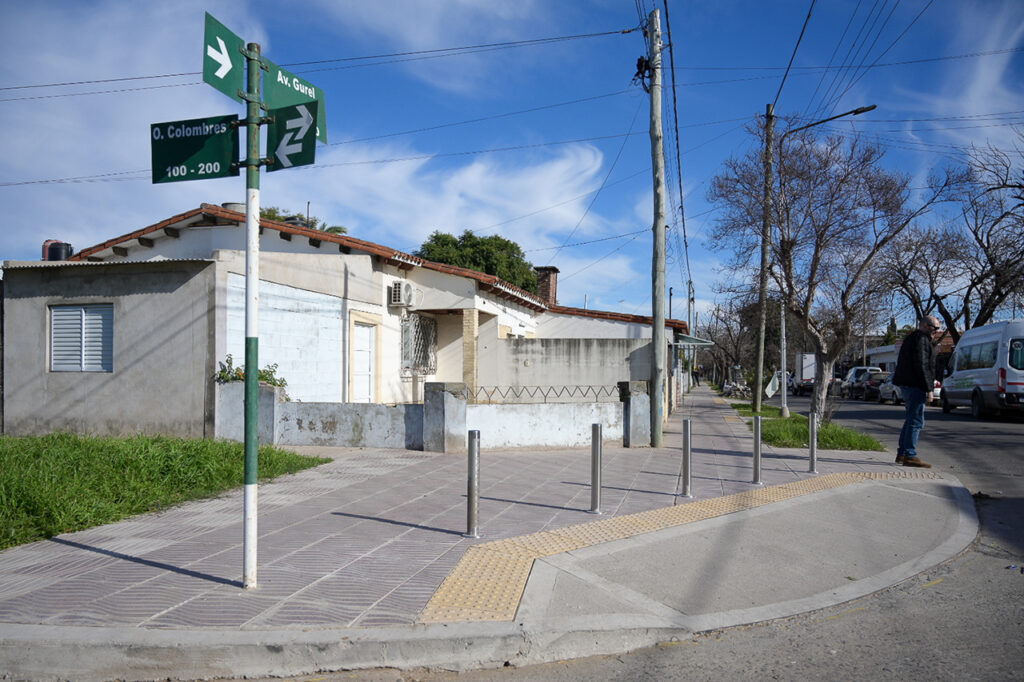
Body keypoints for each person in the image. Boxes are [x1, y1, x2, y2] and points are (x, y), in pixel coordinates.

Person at [892, 315, 940, 467]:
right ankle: (909, 455)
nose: (937, 332)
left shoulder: (912, 338)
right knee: (916, 420)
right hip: (915, 385)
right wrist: (929, 389)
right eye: (935, 328)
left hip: (908, 384)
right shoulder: (922, 340)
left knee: (911, 419)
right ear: (925, 326)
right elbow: (922, 365)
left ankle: (902, 453)